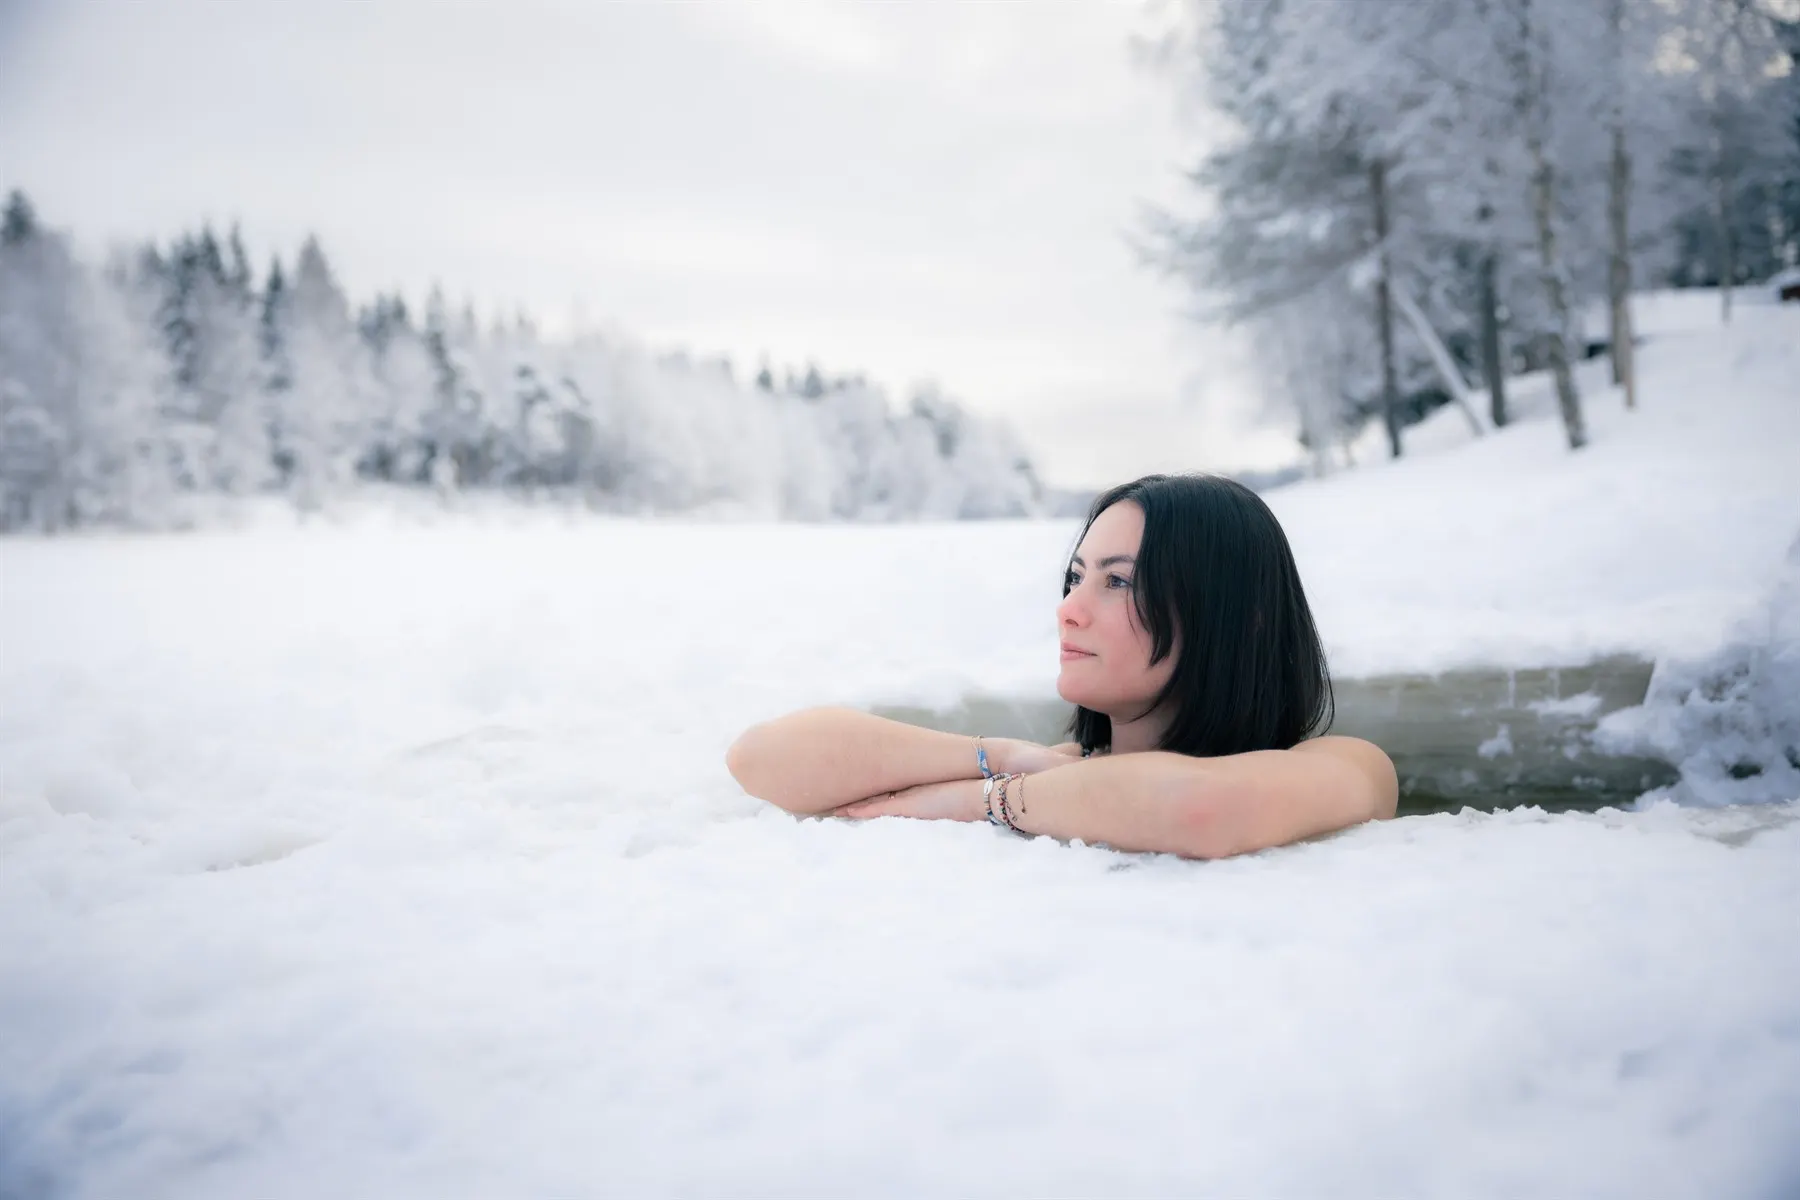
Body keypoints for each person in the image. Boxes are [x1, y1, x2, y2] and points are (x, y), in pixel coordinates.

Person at [726, 473, 1398, 859]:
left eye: (1118, 581)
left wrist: (976, 802)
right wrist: (1000, 755)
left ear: (1235, 613)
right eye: (1075, 578)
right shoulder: (1061, 769)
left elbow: (1195, 806)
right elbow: (761, 759)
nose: (1069, 611)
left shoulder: (1348, 766)